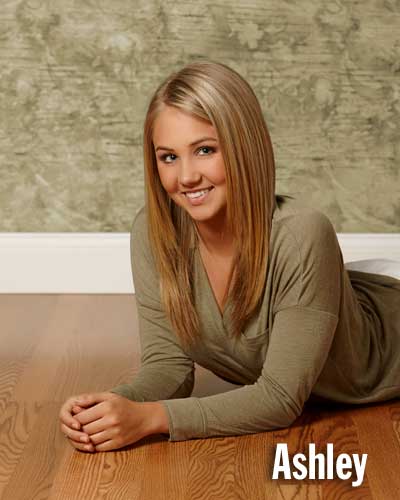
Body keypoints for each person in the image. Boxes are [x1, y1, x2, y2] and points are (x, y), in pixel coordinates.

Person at [59, 60, 400, 453]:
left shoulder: (304, 233)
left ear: (244, 147)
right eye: (168, 157)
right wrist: (110, 407)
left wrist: (154, 418)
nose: (185, 177)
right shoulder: (154, 233)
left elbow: (279, 399)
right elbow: (167, 366)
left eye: (204, 150)